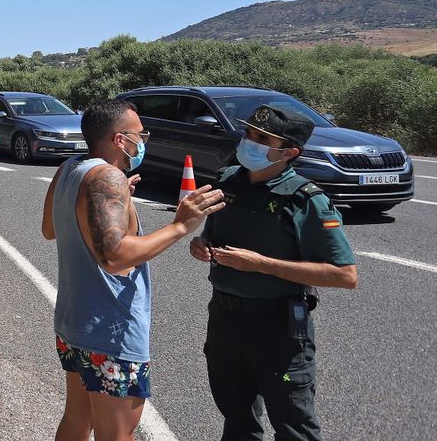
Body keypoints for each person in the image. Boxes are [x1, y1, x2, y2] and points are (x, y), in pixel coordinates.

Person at [41, 100, 227, 441]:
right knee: (119, 432)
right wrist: (180, 226)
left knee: (77, 420)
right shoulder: (108, 177)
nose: (143, 141)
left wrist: (116, 201)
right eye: (140, 135)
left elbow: (50, 228)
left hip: (74, 323)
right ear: (119, 140)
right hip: (110, 331)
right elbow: (115, 257)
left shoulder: (70, 167)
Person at [190, 104, 357, 441]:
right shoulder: (228, 180)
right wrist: (202, 244)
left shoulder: (305, 199)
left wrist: (261, 264)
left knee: (293, 421)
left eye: (262, 138)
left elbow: (344, 275)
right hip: (225, 322)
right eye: (248, 133)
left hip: (277, 333)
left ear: (289, 152)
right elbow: (213, 234)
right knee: (236, 417)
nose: (248, 141)